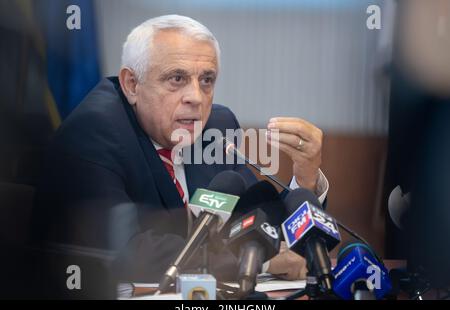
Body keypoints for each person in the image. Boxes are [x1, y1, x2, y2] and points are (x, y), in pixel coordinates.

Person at [32, 15, 329, 283]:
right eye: (177, 78)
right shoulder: (93, 132)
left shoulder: (217, 126)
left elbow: (257, 221)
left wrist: (304, 179)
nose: (196, 97)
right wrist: (253, 261)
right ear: (132, 84)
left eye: (206, 80)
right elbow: (127, 252)